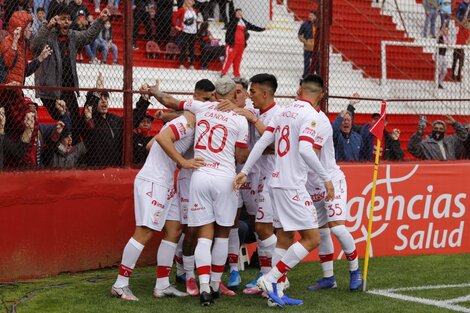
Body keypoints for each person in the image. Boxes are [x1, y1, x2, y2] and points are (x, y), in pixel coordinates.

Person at [234, 75, 334, 307]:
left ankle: (274, 293)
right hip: (292, 186)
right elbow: (307, 150)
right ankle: (270, 279)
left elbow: (261, 142)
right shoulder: (311, 115)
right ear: (320, 95)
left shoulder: (283, 112)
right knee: (312, 238)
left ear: (299, 90)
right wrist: (326, 178)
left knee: (285, 236)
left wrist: (245, 171)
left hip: (274, 184)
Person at [150, 77, 249, 306]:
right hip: (225, 178)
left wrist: (157, 92)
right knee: (222, 234)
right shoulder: (240, 119)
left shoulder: (201, 106)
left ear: (215, 94)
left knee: (203, 234)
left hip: (200, 175)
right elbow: (241, 157)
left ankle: (203, 288)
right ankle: (215, 285)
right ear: (233, 95)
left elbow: (172, 102)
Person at [111, 103, 202, 301]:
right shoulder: (186, 123)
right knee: (144, 231)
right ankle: (120, 284)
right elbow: (161, 139)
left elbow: (152, 144)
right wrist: (183, 161)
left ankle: (162, 285)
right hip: (154, 182)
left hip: (165, 183)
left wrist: (174, 156)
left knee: (174, 229)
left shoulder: (182, 123)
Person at [303, 77, 363, 292]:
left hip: (330, 180)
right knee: (322, 232)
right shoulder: (299, 117)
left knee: (337, 228)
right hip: (310, 184)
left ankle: (355, 270)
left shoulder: (320, 122)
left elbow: (308, 151)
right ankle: (328, 277)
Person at [229, 74, 282, 295]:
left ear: (264, 93)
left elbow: (274, 146)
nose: (249, 96)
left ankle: (273, 275)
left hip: (269, 177)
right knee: (252, 225)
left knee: (264, 228)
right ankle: (254, 273)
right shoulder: (255, 111)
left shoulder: (277, 114)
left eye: (252, 91)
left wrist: (252, 119)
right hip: (249, 177)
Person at [31, 5, 109, 143]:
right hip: (51, 90)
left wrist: (100, 20)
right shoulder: (48, 34)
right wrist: (48, 27)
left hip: (68, 89)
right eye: (63, 19)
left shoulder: (72, 36)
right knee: (65, 122)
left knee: (76, 126)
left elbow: (88, 36)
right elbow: (35, 47)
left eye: (68, 19)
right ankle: (56, 151)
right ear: (55, 20)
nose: (67, 22)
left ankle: (73, 154)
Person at [81, 73, 152, 167]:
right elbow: (87, 111)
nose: (104, 101)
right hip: (96, 168)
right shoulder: (90, 120)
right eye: (100, 98)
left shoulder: (113, 119)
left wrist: (144, 100)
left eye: (106, 98)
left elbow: (132, 120)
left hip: (116, 168)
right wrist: (96, 94)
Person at [221, 8, 266, 78]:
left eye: (240, 12)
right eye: (237, 12)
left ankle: (236, 73)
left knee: (238, 59)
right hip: (233, 44)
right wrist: (229, 43)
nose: (239, 13)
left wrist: (262, 29)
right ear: (235, 13)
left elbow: (252, 27)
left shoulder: (244, 22)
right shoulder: (232, 21)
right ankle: (224, 72)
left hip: (241, 44)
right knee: (229, 58)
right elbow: (228, 33)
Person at [173, 0, 198, 69]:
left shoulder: (194, 10)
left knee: (192, 48)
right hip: (185, 31)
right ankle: (181, 64)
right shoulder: (182, 9)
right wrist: (176, 26)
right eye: (189, 1)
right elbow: (174, 17)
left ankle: (191, 64)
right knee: (184, 47)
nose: (190, 2)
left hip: (193, 32)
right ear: (186, 2)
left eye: (191, 1)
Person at [298, 11, 320, 78]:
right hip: (307, 46)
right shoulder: (305, 24)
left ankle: (318, 74)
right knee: (307, 62)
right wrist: (305, 41)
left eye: (312, 15)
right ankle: (306, 75)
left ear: (315, 17)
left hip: (316, 46)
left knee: (317, 62)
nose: (310, 16)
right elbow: (299, 35)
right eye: (309, 15)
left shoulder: (318, 24)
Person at [437, 24, 450, 88]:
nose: (446, 31)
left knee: (445, 70)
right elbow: (440, 33)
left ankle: (440, 81)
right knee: (439, 69)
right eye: (445, 30)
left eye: (447, 30)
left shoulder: (447, 38)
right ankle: (437, 82)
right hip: (439, 55)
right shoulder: (440, 36)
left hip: (444, 55)